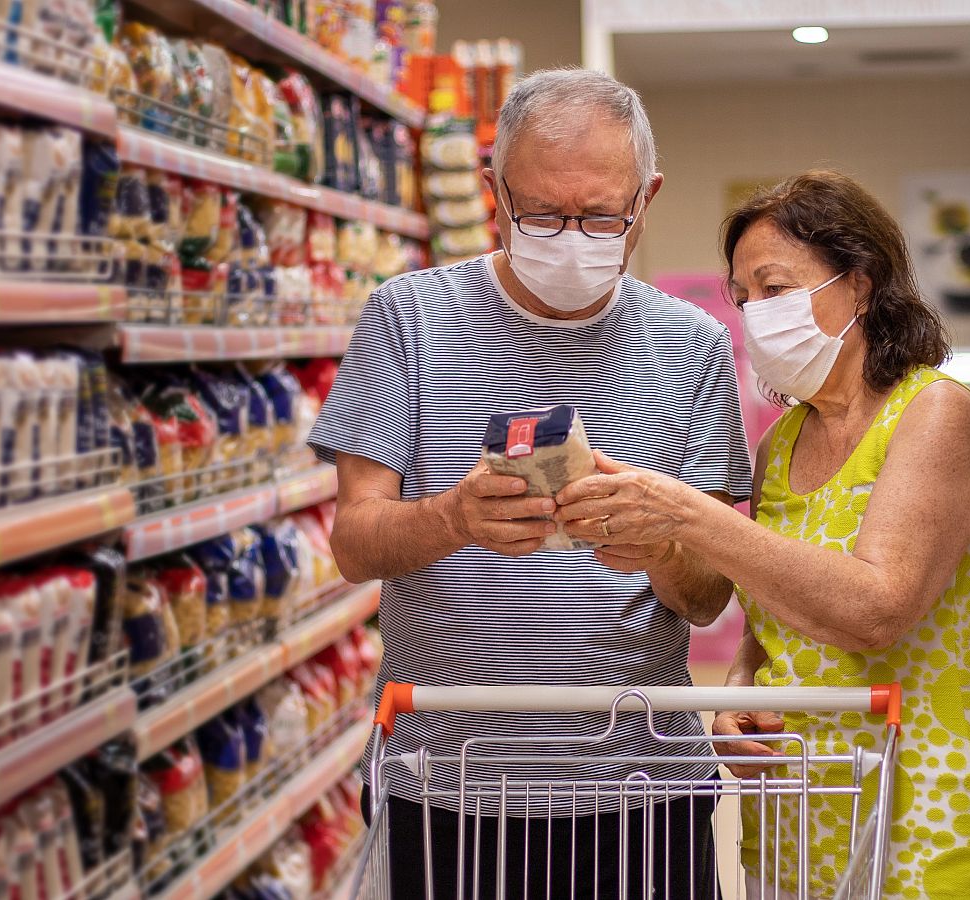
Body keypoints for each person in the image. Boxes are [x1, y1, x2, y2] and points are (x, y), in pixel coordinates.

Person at [308, 68, 752, 897]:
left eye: (601, 216)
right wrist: (453, 519)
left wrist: (656, 545)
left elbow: (704, 599)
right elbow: (354, 544)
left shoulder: (691, 345)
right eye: (542, 214)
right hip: (446, 783)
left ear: (646, 198)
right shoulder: (406, 317)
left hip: (642, 785)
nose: (572, 236)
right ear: (493, 193)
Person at [555, 170, 970, 899]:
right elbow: (768, 627)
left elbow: (876, 609)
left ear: (860, 283)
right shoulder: (782, 444)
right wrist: (738, 692)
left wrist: (688, 513)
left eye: (775, 289)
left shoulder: (935, 416)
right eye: (743, 298)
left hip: (916, 802)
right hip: (794, 808)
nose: (754, 314)